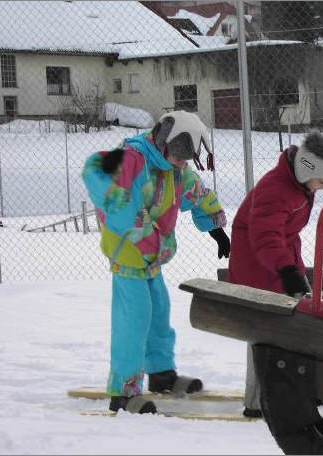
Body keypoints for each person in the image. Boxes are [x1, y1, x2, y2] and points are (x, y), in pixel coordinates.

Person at [82, 111, 231, 414]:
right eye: (179, 156)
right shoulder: (131, 158)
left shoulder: (172, 169)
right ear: (164, 144)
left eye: (187, 158)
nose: (183, 163)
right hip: (128, 255)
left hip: (151, 257)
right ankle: (123, 391)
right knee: (134, 319)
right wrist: (126, 214)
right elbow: (93, 171)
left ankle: (161, 374)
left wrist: (216, 228)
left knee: (158, 312)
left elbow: (197, 192)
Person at [228, 131, 323, 417]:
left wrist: (292, 267)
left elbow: (284, 233)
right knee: (264, 331)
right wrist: (287, 270)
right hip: (257, 267)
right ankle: (258, 401)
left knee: (298, 324)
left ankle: (297, 387)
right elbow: (266, 237)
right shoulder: (275, 189)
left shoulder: (300, 186)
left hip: (279, 261)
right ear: (307, 169)